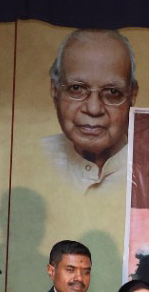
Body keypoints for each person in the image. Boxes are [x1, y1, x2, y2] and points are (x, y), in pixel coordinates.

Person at [41, 28, 137, 192]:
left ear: (132, 96)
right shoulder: (34, 159)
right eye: (77, 88)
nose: (93, 109)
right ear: (55, 90)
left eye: (112, 92)